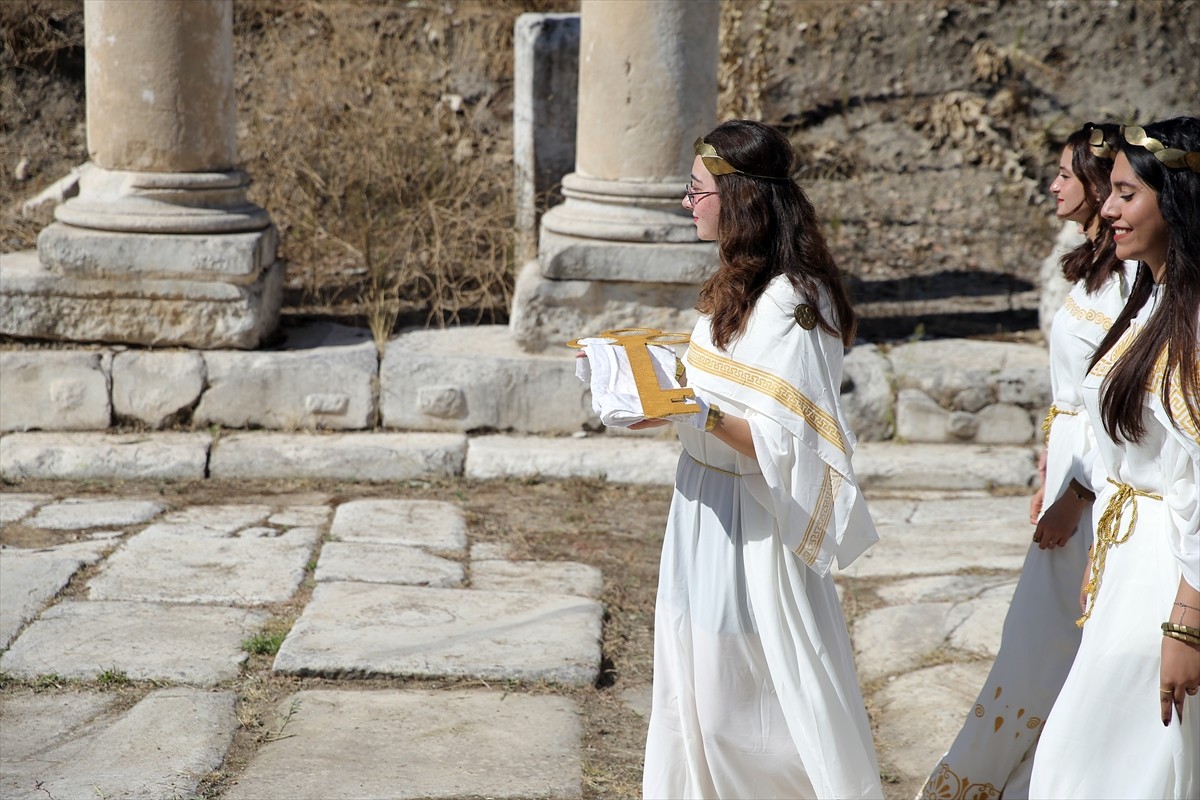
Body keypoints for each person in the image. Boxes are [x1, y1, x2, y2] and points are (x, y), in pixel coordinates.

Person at [632, 119, 883, 799]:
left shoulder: (793, 302)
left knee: (743, 713)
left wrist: (699, 413)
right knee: (693, 691)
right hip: (701, 507)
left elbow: (788, 440)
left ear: (739, 198)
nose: (689, 205)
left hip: (754, 522)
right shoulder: (733, 285)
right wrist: (652, 396)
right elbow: (711, 389)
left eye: (697, 191)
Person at [918, 122, 1134, 800]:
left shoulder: (1136, 280)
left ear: (1098, 189)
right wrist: (1051, 472)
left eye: (1067, 176)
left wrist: (1077, 492)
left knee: (1053, 630)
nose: (1053, 185)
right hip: (1070, 456)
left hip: (1099, 477)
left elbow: (1118, 401)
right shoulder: (1091, 263)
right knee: (1040, 628)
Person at [1028, 115, 1200, 798]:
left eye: (1126, 194)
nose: (1107, 208)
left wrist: (1186, 617)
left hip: (1168, 577)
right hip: (1129, 567)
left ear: (1178, 201)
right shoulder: (1151, 297)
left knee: (1096, 765)